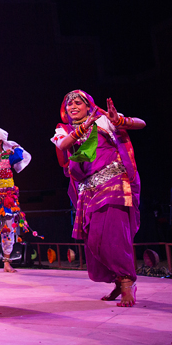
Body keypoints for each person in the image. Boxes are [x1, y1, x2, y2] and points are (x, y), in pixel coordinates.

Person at [51, 91, 145, 307]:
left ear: (87, 105)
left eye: (77, 103)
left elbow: (141, 123)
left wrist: (119, 120)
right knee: (94, 240)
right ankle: (117, 280)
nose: (73, 107)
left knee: (113, 234)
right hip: (87, 189)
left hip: (113, 181)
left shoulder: (104, 120)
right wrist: (83, 128)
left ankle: (127, 282)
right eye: (69, 105)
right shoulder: (62, 130)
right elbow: (63, 146)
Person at [0, 128, 38, 273]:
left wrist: (13, 145)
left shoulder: (9, 156)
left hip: (7, 200)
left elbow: (20, 155)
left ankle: (6, 261)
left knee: (8, 230)